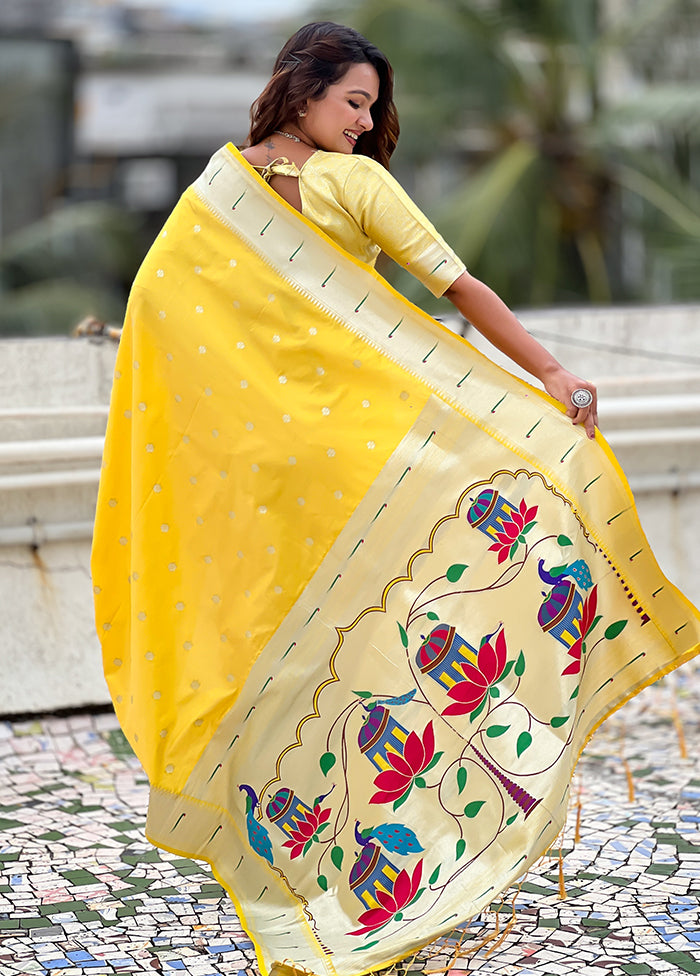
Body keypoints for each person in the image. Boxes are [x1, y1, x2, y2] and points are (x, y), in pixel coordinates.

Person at [92, 22, 699, 976]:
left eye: (372, 109)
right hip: (356, 457)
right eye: (354, 103)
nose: (365, 124)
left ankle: (311, 867)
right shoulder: (348, 186)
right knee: (418, 604)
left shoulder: (213, 198)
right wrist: (550, 374)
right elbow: (459, 287)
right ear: (301, 88)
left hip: (263, 477)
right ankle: (379, 853)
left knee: (296, 654)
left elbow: (160, 322)